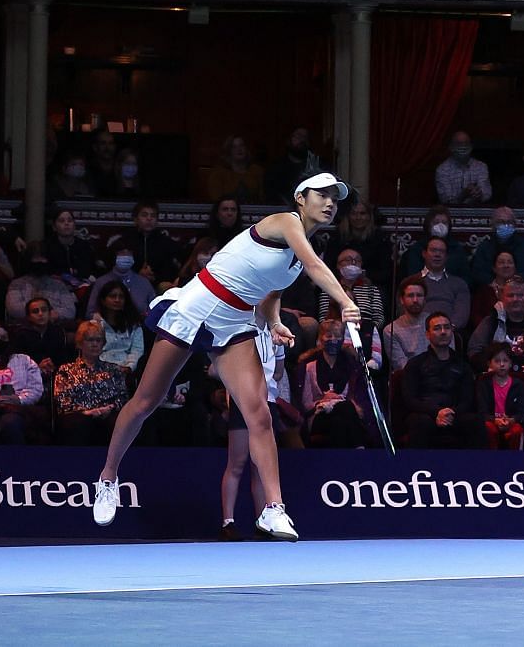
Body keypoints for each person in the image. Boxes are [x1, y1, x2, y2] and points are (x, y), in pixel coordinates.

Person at [93, 172, 358, 541]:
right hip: (199, 305)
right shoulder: (286, 223)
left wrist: (274, 321)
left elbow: (269, 291)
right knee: (146, 402)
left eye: (335, 198)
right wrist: (345, 300)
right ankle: (107, 479)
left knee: (259, 413)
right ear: (301, 198)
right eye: (322, 195)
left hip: (235, 323)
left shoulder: (297, 256)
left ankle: (273, 509)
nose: (330, 203)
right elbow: (315, 267)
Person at [400, 312, 486, 448]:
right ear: (427, 334)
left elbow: (467, 399)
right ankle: (417, 468)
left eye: (447, 327)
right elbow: (410, 399)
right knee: (419, 422)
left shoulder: (463, 366)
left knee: (474, 421)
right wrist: (436, 412)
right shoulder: (415, 364)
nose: (443, 332)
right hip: (425, 413)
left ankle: (475, 468)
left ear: (452, 332)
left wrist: (450, 413)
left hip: (455, 414)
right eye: (437, 328)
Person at [299, 317, 375, 448]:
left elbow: (359, 399)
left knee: (340, 417)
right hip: (319, 415)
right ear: (320, 339)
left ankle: (340, 460)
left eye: (338, 336)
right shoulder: (309, 366)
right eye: (329, 335)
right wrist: (323, 401)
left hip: (346, 413)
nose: (333, 339)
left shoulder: (351, 365)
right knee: (343, 411)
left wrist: (339, 400)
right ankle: (359, 450)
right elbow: (306, 404)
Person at [54, 319, 127, 446]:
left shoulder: (114, 369)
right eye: (90, 340)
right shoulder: (66, 370)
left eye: (98, 340)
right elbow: (62, 401)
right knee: (79, 423)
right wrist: (86, 412)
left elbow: (123, 397)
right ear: (80, 343)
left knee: (122, 422)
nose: (95, 344)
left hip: (108, 413)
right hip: (78, 415)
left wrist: (109, 408)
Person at [477, 344, 524, 450]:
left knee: (517, 430)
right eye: (497, 361)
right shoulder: (484, 384)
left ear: (510, 363)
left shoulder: (518, 385)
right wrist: (495, 420)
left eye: (505, 361)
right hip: (492, 421)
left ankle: (515, 462)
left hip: (511, 421)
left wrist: (511, 420)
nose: (501, 364)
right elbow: (481, 412)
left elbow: (523, 412)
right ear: (489, 363)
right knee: (488, 428)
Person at [381, 277, 429, 373]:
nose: (415, 300)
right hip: (410, 379)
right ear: (402, 300)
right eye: (410, 295)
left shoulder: (439, 324)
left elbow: (448, 357)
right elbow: (400, 364)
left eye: (419, 295)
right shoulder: (391, 330)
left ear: (425, 299)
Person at [434, 131, 492, 206]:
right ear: (451, 147)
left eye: (466, 143)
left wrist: (479, 194)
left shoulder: (481, 167)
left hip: (477, 211)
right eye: (458, 144)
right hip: (451, 213)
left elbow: (487, 194)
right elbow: (446, 199)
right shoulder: (442, 170)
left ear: (471, 146)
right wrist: (463, 195)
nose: (463, 147)